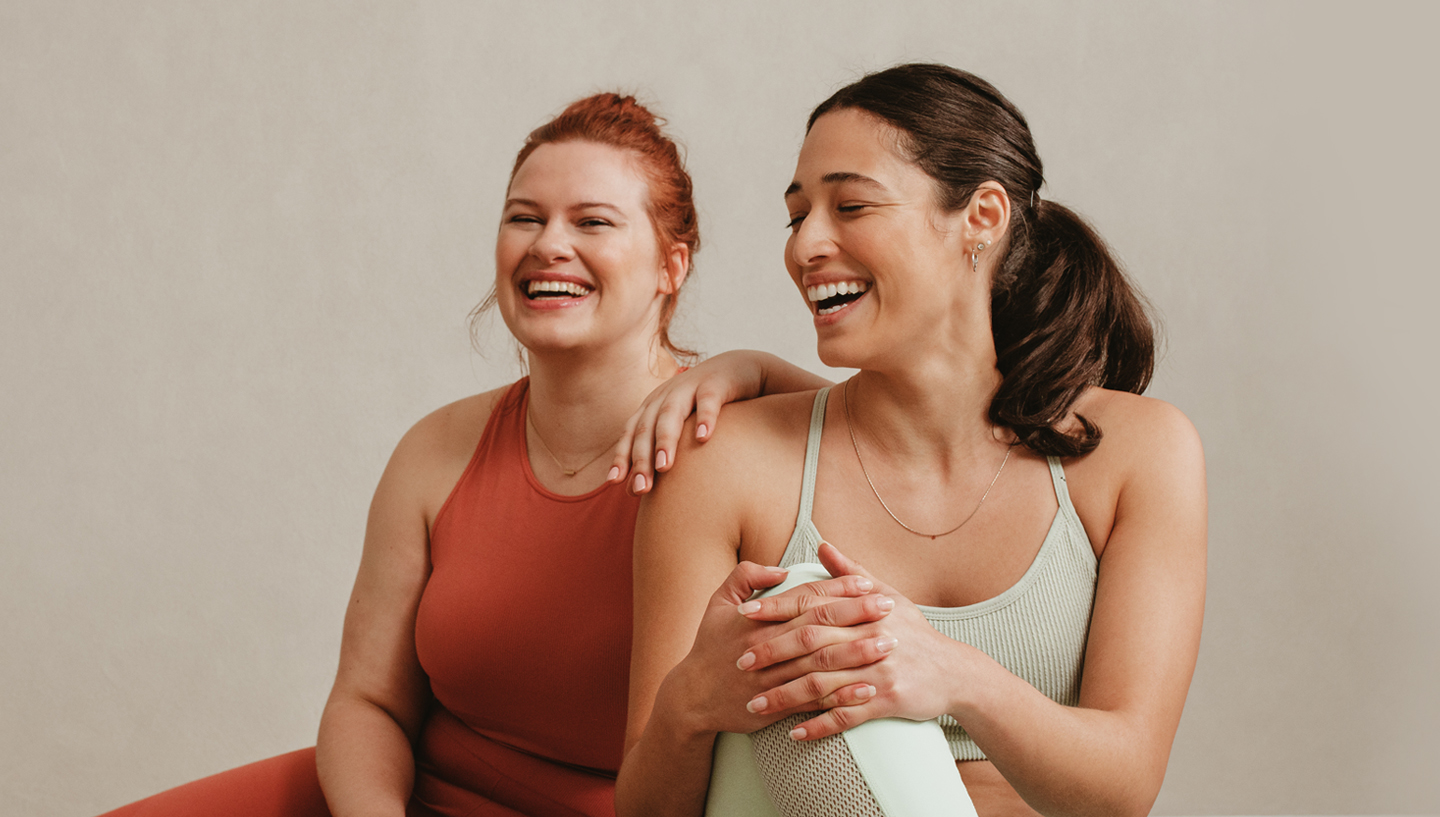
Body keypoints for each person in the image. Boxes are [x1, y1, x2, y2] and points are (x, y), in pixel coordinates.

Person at [97, 93, 827, 817]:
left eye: (592, 221)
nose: (548, 244)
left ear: (671, 265)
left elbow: (871, 435)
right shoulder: (436, 449)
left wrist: (758, 368)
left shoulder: (727, 446)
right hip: (397, 796)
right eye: (524, 218)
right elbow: (367, 701)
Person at [616, 64, 1207, 817]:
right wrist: (690, 703)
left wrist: (951, 674)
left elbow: (1123, 788)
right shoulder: (724, 462)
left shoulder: (1137, 453)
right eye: (797, 217)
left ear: (982, 217)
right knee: (806, 609)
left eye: (852, 205)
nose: (806, 246)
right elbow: (645, 808)